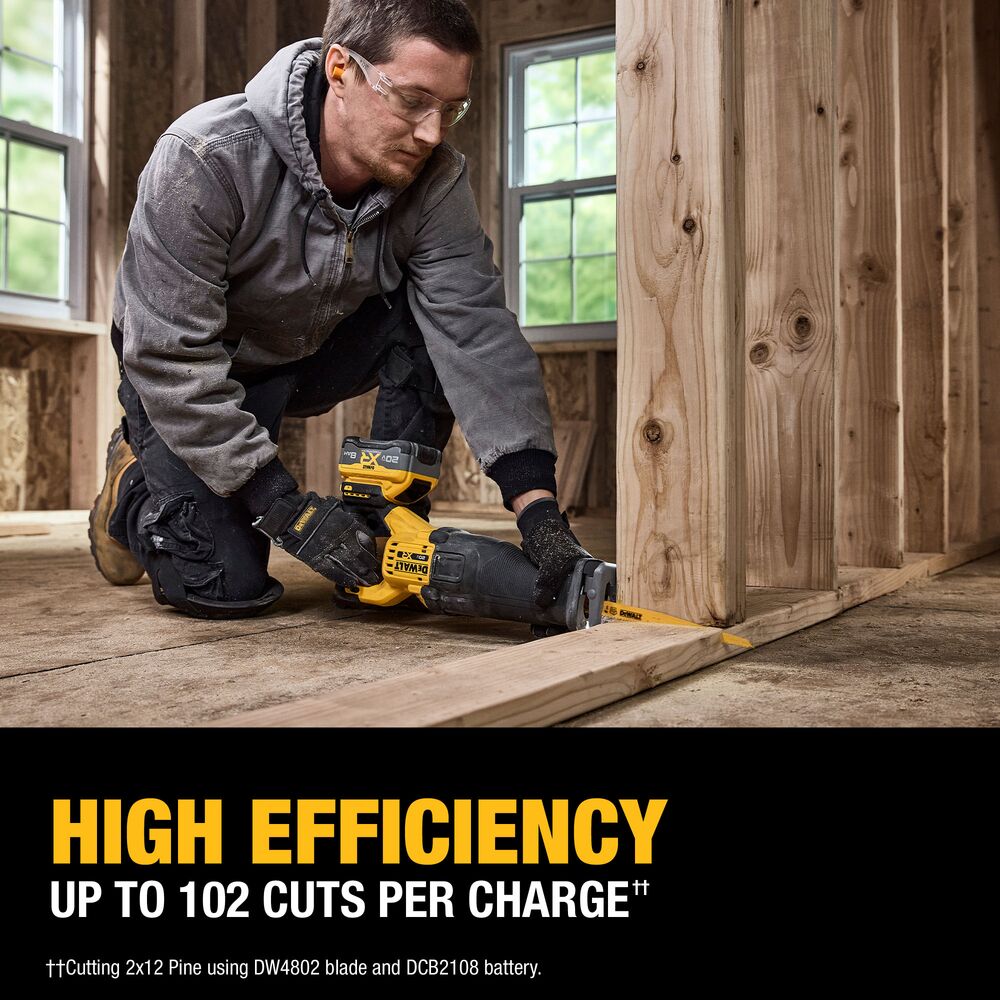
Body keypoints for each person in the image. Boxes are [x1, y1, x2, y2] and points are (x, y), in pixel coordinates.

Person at [89, 0, 591, 620]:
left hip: (312, 354)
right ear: (340, 70)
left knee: (432, 319)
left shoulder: (435, 182)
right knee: (223, 583)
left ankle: (383, 521)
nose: (433, 132)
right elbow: (167, 352)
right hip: (193, 377)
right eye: (412, 100)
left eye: (451, 108)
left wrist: (536, 508)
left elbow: (476, 330)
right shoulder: (205, 157)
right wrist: (285, 507)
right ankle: (132, 487)